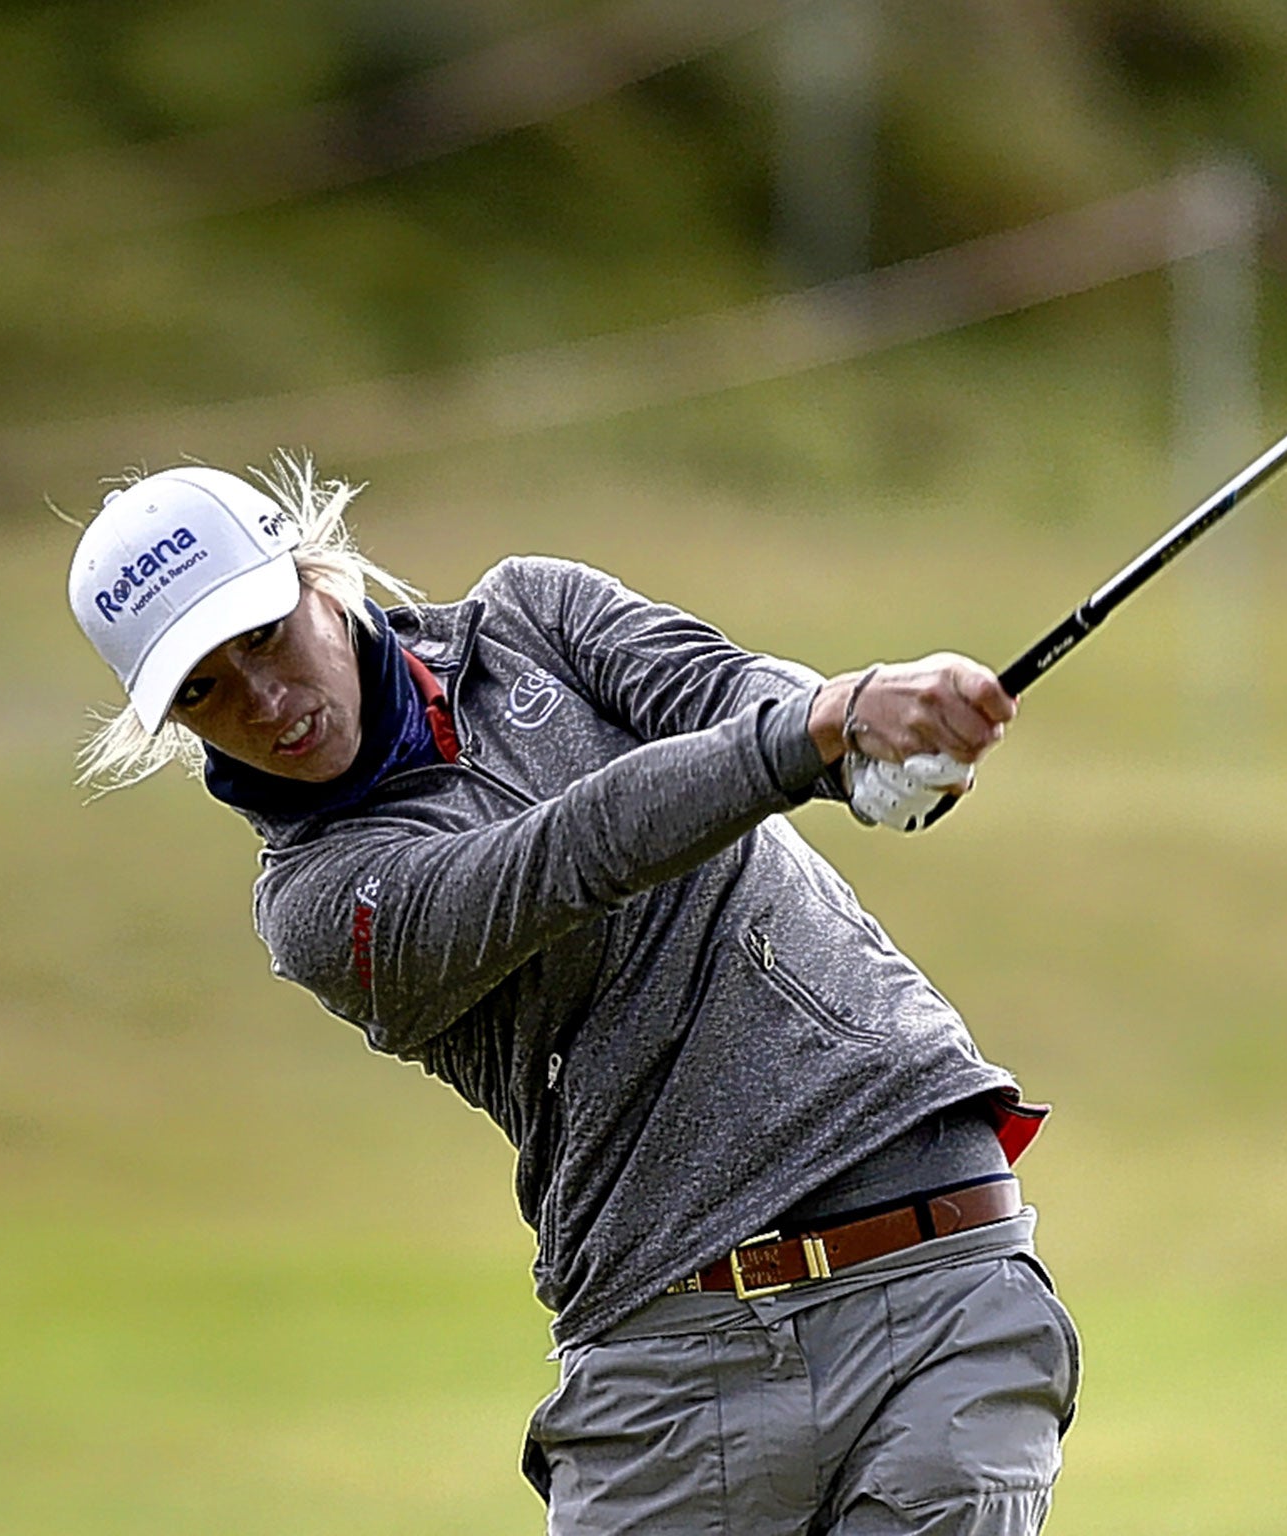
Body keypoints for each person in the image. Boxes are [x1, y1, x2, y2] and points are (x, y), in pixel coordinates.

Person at [65, 454, 1079, 1533]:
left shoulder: (531, 615)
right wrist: (818, 731)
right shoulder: (320, 906)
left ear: (320, 577)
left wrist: (868, 746)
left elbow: (727, 695)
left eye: (265, 635)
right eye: (204, 690)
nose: (265, 702)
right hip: (670, 1363)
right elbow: (565, 858)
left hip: (936, 1279)